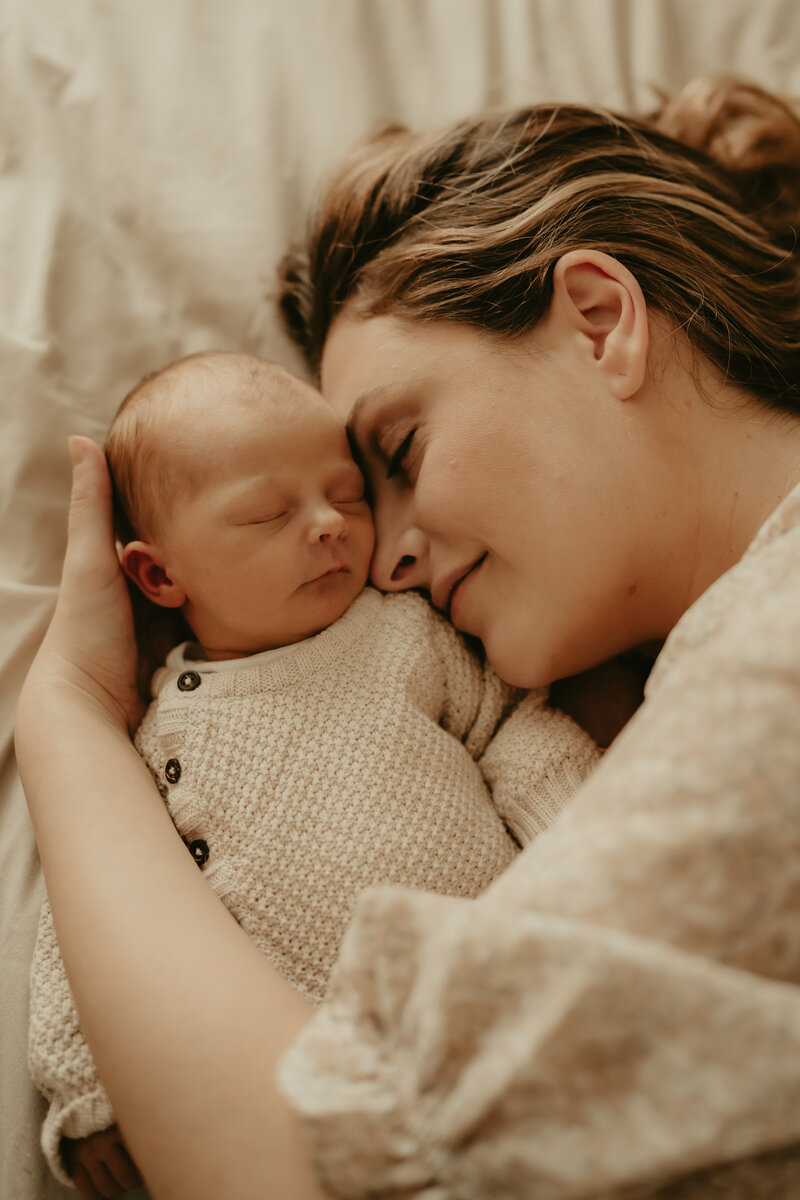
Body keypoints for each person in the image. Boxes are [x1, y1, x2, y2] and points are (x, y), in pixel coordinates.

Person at [14, 75, 800, 1199]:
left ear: (599, 320)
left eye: (399, 452)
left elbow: (319, 1172)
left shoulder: (769, 664)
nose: (380, 559)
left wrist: (71, 718)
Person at [28, 350, 599, 1197]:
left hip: (506, 984)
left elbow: (514, 729)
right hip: (316, 1061)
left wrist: (586, 837)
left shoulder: (405, 634)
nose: (329, 523)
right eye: (268, 513)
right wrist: (87, 1082)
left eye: (348, 494)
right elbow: (88, 913)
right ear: (158, 573)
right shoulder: (153, 743)